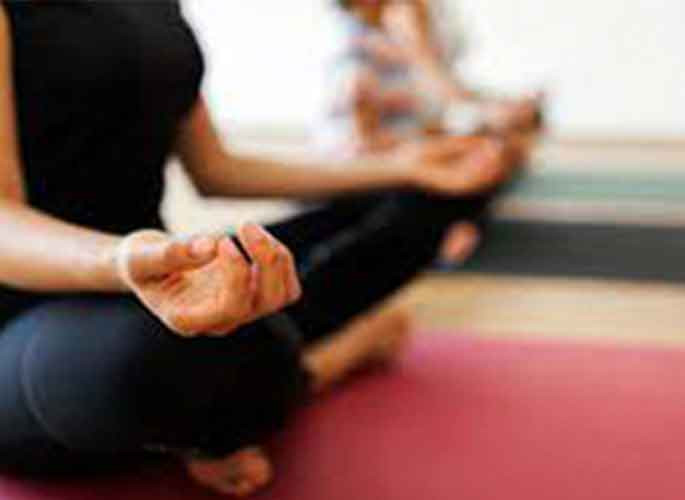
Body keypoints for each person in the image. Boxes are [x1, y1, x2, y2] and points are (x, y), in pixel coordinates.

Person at [0, 1, 512, 496]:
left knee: (429, 200)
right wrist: (123, 261)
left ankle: (220, 404)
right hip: (36, 315)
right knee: (148, 362)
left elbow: (217, 170)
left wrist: (403, 167)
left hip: (161, 289)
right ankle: (325, 359)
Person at [319, 0, 542, 262]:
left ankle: (454, 222)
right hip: (368, 172)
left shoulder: (407, 54)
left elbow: (443, 105)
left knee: (506, 144)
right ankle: (441, 227)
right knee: (486, 152)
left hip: (405, 149)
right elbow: (366, 147)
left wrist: (501, 110)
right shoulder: (357, 65)